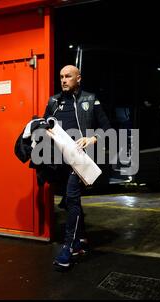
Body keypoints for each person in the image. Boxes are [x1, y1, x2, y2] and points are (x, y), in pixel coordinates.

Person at [43, 65, 111, 269]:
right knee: (70, 200)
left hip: (80, 158)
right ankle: (81, 239)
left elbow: (106, 128)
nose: (64, 80)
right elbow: (45, 122)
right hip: (58, 160)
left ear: (78, 79)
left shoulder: (90, 100)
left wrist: (92, 139)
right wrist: (45, 130)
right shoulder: (53, 101)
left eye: (68, 76)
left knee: (72, 197)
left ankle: (68, 249)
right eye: (61, 77)